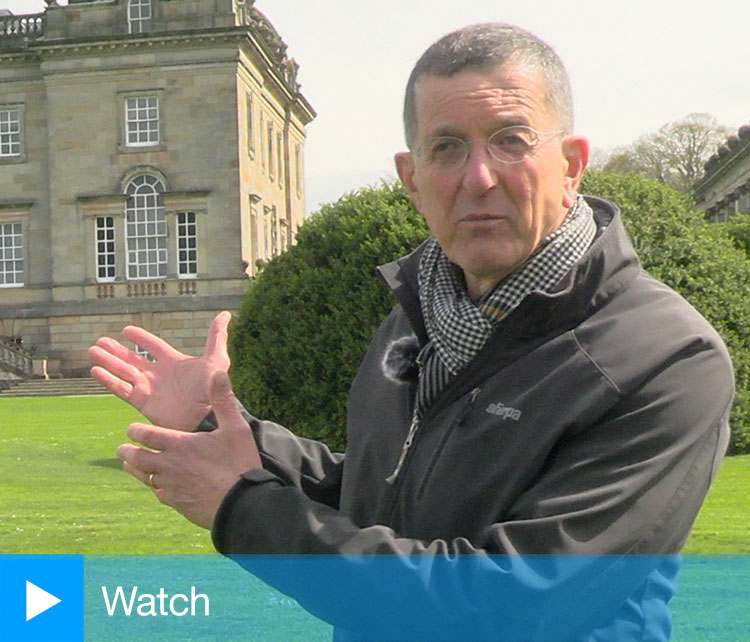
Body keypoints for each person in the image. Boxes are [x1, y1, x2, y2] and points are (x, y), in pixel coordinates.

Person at [90, 23, 734, 642]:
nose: (477, 177)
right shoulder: (420, 310)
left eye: (511, 140)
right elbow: (382, 495)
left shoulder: (668, 358)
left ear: (571, 165)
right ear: (413, 180)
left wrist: (244, 509)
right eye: (447, 148)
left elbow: (507, 605)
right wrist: (218, 427)